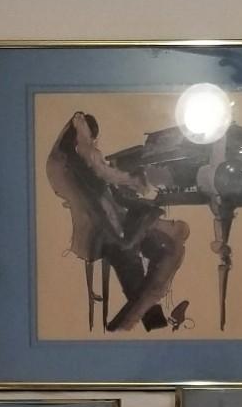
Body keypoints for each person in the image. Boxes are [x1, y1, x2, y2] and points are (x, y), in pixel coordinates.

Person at [46, 111, 190, 332]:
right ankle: (141, 321)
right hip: (103, 234)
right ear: (80, 139)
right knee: (161, 250)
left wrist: (133, 195)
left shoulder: (76, 162)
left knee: (164, 248)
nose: (94, 144)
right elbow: (102, 205)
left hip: (109, 230)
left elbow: (108, 194)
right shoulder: (74, 164)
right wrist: (133, 218)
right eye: (91, 139)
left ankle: (146, 320)